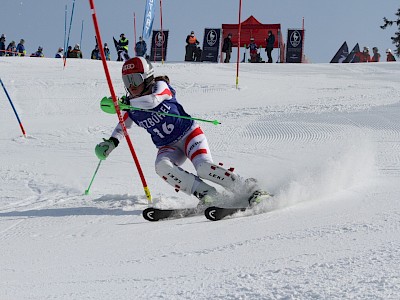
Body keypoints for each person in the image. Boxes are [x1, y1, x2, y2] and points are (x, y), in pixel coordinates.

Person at [95, 57, 265, 207]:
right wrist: (110, 143)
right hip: (168, 146)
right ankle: (207, 194)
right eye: (127, 80)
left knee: (204, 168)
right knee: (162, 167)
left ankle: (250, 188)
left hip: (189, 135)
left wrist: (124, 104)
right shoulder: (130, 106)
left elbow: (153, 102)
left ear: (147, 78)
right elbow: (122, 128)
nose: (131, 85)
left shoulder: (160, 87)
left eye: (135, 79)